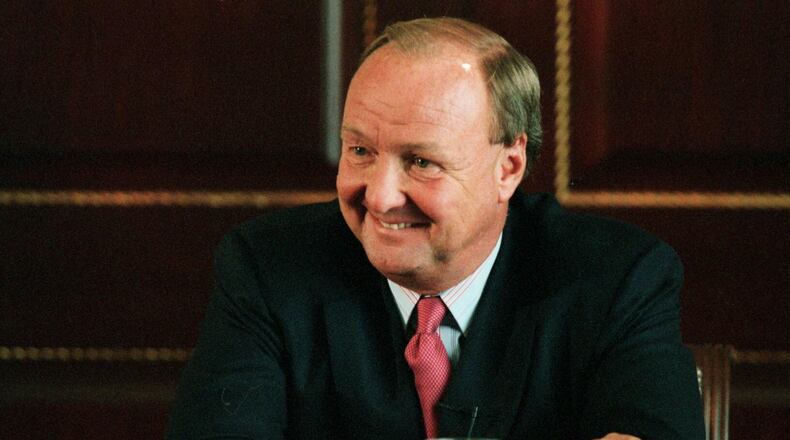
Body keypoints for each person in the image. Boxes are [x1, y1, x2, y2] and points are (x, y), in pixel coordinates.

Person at [168, 17, 704, 440]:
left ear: (508, 168)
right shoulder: (268, 268)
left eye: (421, 162)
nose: (377, 196)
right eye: (360, 151)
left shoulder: (616, 276)